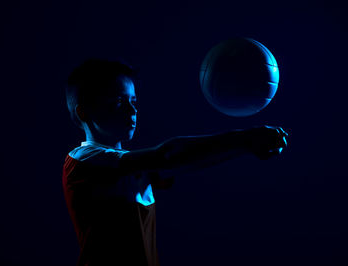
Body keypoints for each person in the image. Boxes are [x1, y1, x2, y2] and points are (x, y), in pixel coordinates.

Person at [62, 58, 288, 266]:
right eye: (118, 101)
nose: (133, 110)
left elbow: (183, 161)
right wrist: (246, 137)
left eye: (134, 100)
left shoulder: (134, 167)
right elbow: (167, 156)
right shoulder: (83, 160)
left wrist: (246, 146)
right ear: (84, 112)